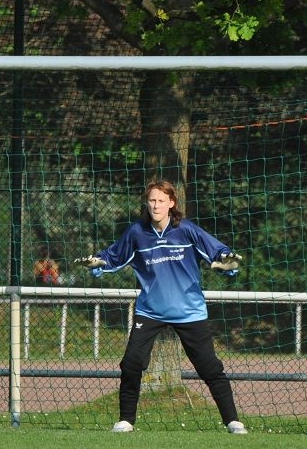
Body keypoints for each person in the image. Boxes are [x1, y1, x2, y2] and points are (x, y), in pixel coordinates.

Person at [74, 180, 248, 435]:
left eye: (161, 201)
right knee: (131, 363)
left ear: (172, 204)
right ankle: (125, 421)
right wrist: (98, 261)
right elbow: (114, 256)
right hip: (150, 311)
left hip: (189, 311)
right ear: (147, 203)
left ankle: (233, 422)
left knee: (210, 367)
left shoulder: (186, 230)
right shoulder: (137, 232)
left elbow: (218, 252)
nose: (156, 205)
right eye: (152, 200)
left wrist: (226, 261)